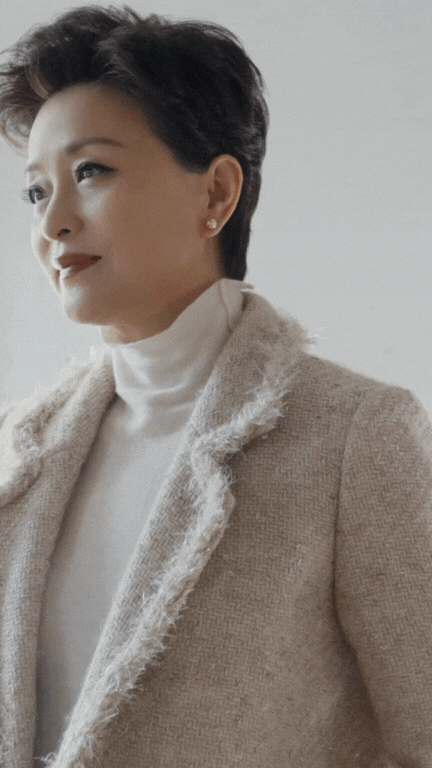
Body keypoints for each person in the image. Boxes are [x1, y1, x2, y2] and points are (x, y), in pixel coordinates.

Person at [0, 5, 431, 767]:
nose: (53, 222)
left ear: (216, 195)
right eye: (37, 191)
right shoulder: (19, 449)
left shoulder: (354, 435)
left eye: (91, 171)